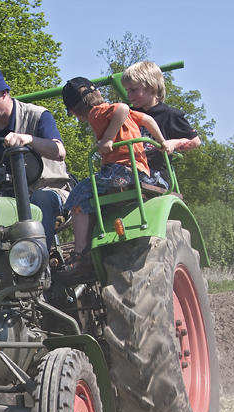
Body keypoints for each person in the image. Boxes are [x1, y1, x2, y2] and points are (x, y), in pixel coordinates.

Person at [60, 77, 175, 278]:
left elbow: (121, 108)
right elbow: (147, 120)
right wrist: (162, 141)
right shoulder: (123, 113)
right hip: (140, 171)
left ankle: (80, 252)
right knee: (90, 195)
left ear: (76, 110)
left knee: (77, 197)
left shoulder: (97, 112)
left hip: (119, 171)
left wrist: (107, 139)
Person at [0, 66, 73, 252]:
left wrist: (29, 139)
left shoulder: (38, 116)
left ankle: (37, 265)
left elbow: (59, 151)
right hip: (8, 197)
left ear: (4, 93)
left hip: (52, 191)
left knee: (42, 199)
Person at [121, 60, 202, 187]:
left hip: (155, 174)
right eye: (127, 90)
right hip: (130, 169)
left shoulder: (169, 115)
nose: (129, 95)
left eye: (133, 89)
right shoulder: (128, 114)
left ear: (152, 87)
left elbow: (195, 141)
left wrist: (172, 143)